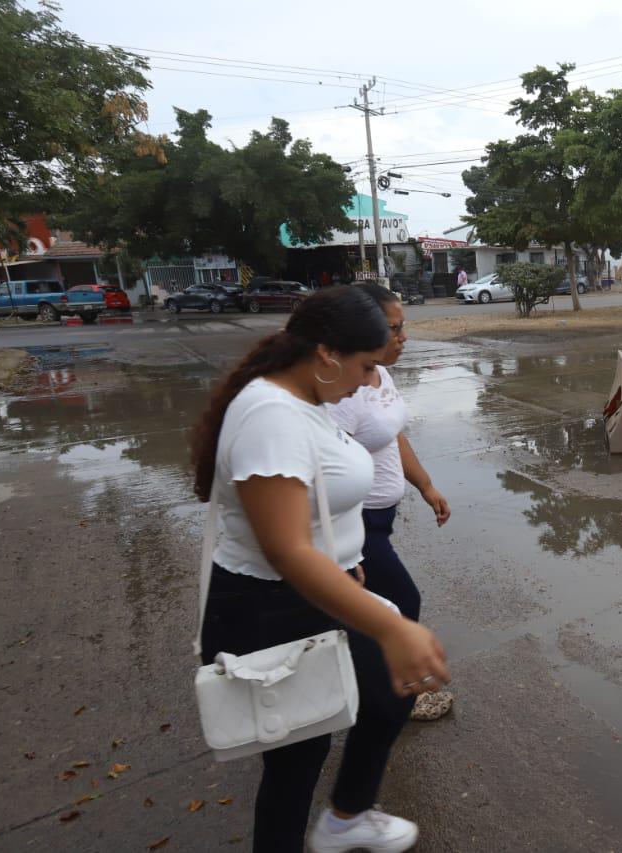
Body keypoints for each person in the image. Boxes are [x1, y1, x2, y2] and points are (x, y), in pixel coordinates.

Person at [191, 287, 449, 853]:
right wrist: (392, 627)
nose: (370, 380)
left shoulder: (304, 398)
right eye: (365, 366)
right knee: (297, 758)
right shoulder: (270, 416)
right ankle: (330, 824)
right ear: (328, 354)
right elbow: (286, 551)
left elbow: (316, 503)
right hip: (268, 608)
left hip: (311, 596)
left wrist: (350, 562)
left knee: (388, 695)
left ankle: (346, 815)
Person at [327, 282, 453, 721]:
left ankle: (378, 695)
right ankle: (391, 702)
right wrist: (338, 552)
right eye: (393, 328)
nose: (404, 337)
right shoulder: (344, 392)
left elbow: (392, 434)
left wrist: (425, 485)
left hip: (379, 520)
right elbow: (320, 473)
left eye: (403, 327)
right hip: (355, 525)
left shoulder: (380, 375)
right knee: (400, 603)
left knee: (376, 612)